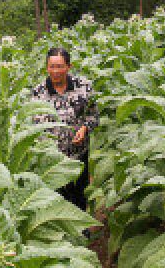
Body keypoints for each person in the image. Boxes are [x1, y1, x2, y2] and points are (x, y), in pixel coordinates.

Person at [31, 46, 99, 211]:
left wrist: (84, 128)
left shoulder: (83, 87)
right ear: (47, 68)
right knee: (56, 200)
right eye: (52, 66)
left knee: (79, 195)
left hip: (78, 155)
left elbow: (94, 116)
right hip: (52, 160)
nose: (56, 71)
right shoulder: (38, 93)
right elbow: (34, 127)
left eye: (60, 66)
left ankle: (81, 233)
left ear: (69, 66)